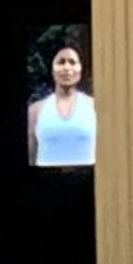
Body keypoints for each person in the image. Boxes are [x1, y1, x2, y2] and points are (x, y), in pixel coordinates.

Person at [27, 39, 95, 168]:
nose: (67, 68)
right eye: (61, 62)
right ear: (52, 69)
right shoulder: (35, 110)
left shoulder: (95, 107)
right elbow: (31, 158)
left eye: (72, 62)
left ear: (81, 69)